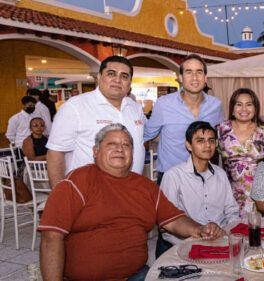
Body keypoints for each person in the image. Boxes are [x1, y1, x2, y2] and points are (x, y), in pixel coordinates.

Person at [38, 124, 223, 281]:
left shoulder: (144, 186)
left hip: (137, 275)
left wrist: (200, 229)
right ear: (95, 151)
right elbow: (51, 239)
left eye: (126, 145)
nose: (120, 149)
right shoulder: (76, 182)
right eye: (112, 144)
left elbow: (173, 220)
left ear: (132, 154)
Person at [46, 55, 146, 187]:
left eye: (124, 76)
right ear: (99, 77)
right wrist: (59, 195)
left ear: (129, 83)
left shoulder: (135, 108)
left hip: (131, 188)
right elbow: (55, 152)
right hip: (89, 191)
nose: (117, 80)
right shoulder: (75, 107)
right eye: (111, 74)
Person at [144, 54, 223, 184]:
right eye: (189, 72)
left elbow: (219, 137)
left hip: (205, 176)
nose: (194, 77)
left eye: (199, 72)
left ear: (205, 78)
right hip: (171, 177)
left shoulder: (216, 105)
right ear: (180, 78)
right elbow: (146, 134)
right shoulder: (164, 104)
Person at [161, 122, 239, 248]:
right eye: (200, 141)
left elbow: (232, 211)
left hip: (222, 239)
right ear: (189, 145)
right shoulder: (173, 176)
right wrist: (193, 242)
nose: (207, 145)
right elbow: (167, 224)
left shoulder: (220, 174)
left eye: (211, 140)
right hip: (188, 244)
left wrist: (227, 236)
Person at [217, 88, 264, 215]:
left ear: (256, 107)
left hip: (261, 197)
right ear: (232, 107)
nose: (244, 109)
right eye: (239, 104)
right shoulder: (221, 130)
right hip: (229, 194)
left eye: (249, 104)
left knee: (260, 231)